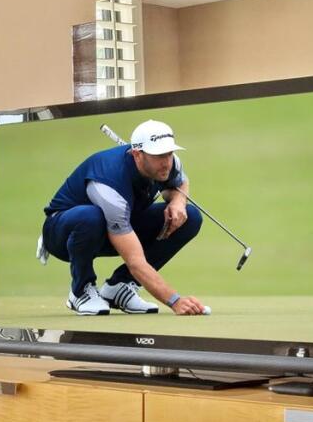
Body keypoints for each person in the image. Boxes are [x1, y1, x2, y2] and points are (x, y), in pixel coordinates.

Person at [38, 118, 209, 316]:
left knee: (191, 217)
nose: (166, 162)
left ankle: (120, 286)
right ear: (137, 154)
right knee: (91, 216)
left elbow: (180, 183)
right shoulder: (109, 185)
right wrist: (175, 301)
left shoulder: (169, 165)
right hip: (63, 233)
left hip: (114, 224)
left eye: (169, 153)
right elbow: (135, 261)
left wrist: (178, 202)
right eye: (158, 155)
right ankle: (80, 290)